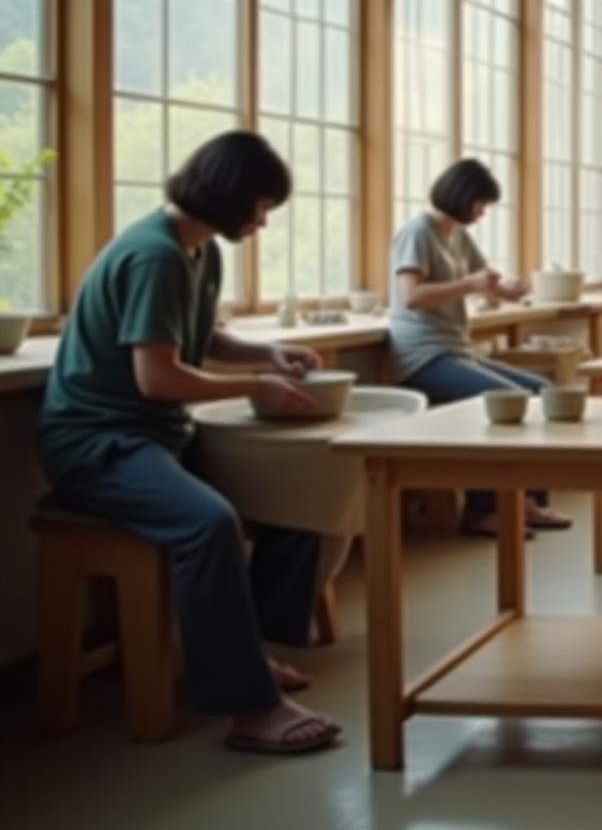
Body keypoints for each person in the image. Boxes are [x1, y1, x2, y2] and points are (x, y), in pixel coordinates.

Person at [37, 132, 341, 755]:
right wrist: (256, 386)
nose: (262, 222)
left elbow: (200, 337)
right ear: (230, 197)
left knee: (298, 486)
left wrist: (268, 353)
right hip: (98, 443)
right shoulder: (157, 256)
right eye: (260, 207)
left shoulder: (198, 252)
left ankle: (246, 652)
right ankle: (250, 708)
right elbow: (158, 378)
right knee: (208, 524)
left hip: (154, 434)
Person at [389, 158, 569, 538]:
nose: (482, 213)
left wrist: (508, 290)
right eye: (480, 204)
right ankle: (483, 510)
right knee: (507, 397)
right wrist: (471, 284)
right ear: (461, 196)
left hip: (456, 350)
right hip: (423, 356)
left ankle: (525, 501)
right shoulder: (418, 232)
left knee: (543, 392)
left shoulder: (457, 235)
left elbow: (482, 281)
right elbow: (412, 297)